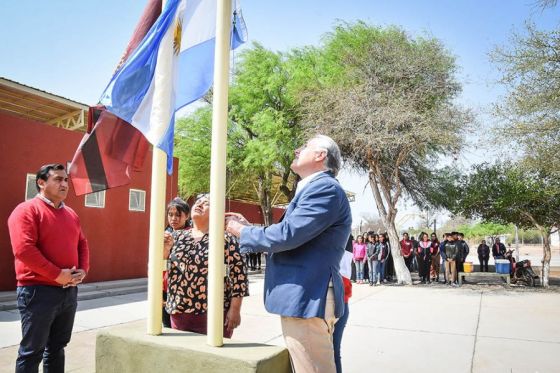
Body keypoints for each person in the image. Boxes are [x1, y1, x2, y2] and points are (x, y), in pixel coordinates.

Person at [226, 134, 351, 373]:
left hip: (308, 297)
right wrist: (251, 228)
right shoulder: (317, 189)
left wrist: (241, 231)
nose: (296, 149)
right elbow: (293, 234)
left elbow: (288, 235)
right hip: (306, 298)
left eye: (304, 146)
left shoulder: (324, 189)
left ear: (320, 155)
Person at [8, 163, 90, 373]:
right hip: (37, 292)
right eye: (58, 179)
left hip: (68, 292)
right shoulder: (26, 210)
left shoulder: (71, 214)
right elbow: (24, 250)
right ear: (41, 183)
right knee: (32, 352)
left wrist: (83, 269)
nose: (64, 184)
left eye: (66, 180)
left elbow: (82, 243)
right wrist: (56, 275)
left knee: (57, 348)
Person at [164, 194, 248, 338]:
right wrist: (164, 250)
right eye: (198, 202)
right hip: (179, 311)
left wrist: (235, 310)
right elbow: (162, 267)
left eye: (206, 203)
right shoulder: (177, 237)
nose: (200, 204)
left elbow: (239, 276)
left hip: (214, 313)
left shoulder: (226, 238)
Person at [163, 197, 190, 328]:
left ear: (187, 216)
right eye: (170, 214)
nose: (173, 218)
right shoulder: (163, 234)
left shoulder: (192, 236)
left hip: (181, 289)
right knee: (165, 325)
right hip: (163, 286)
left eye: (178, 215)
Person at [333, 241, 353, 373]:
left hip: (338, 308)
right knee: (334, 352)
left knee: (333, 352)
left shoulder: (339, 263)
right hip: (341, 307)